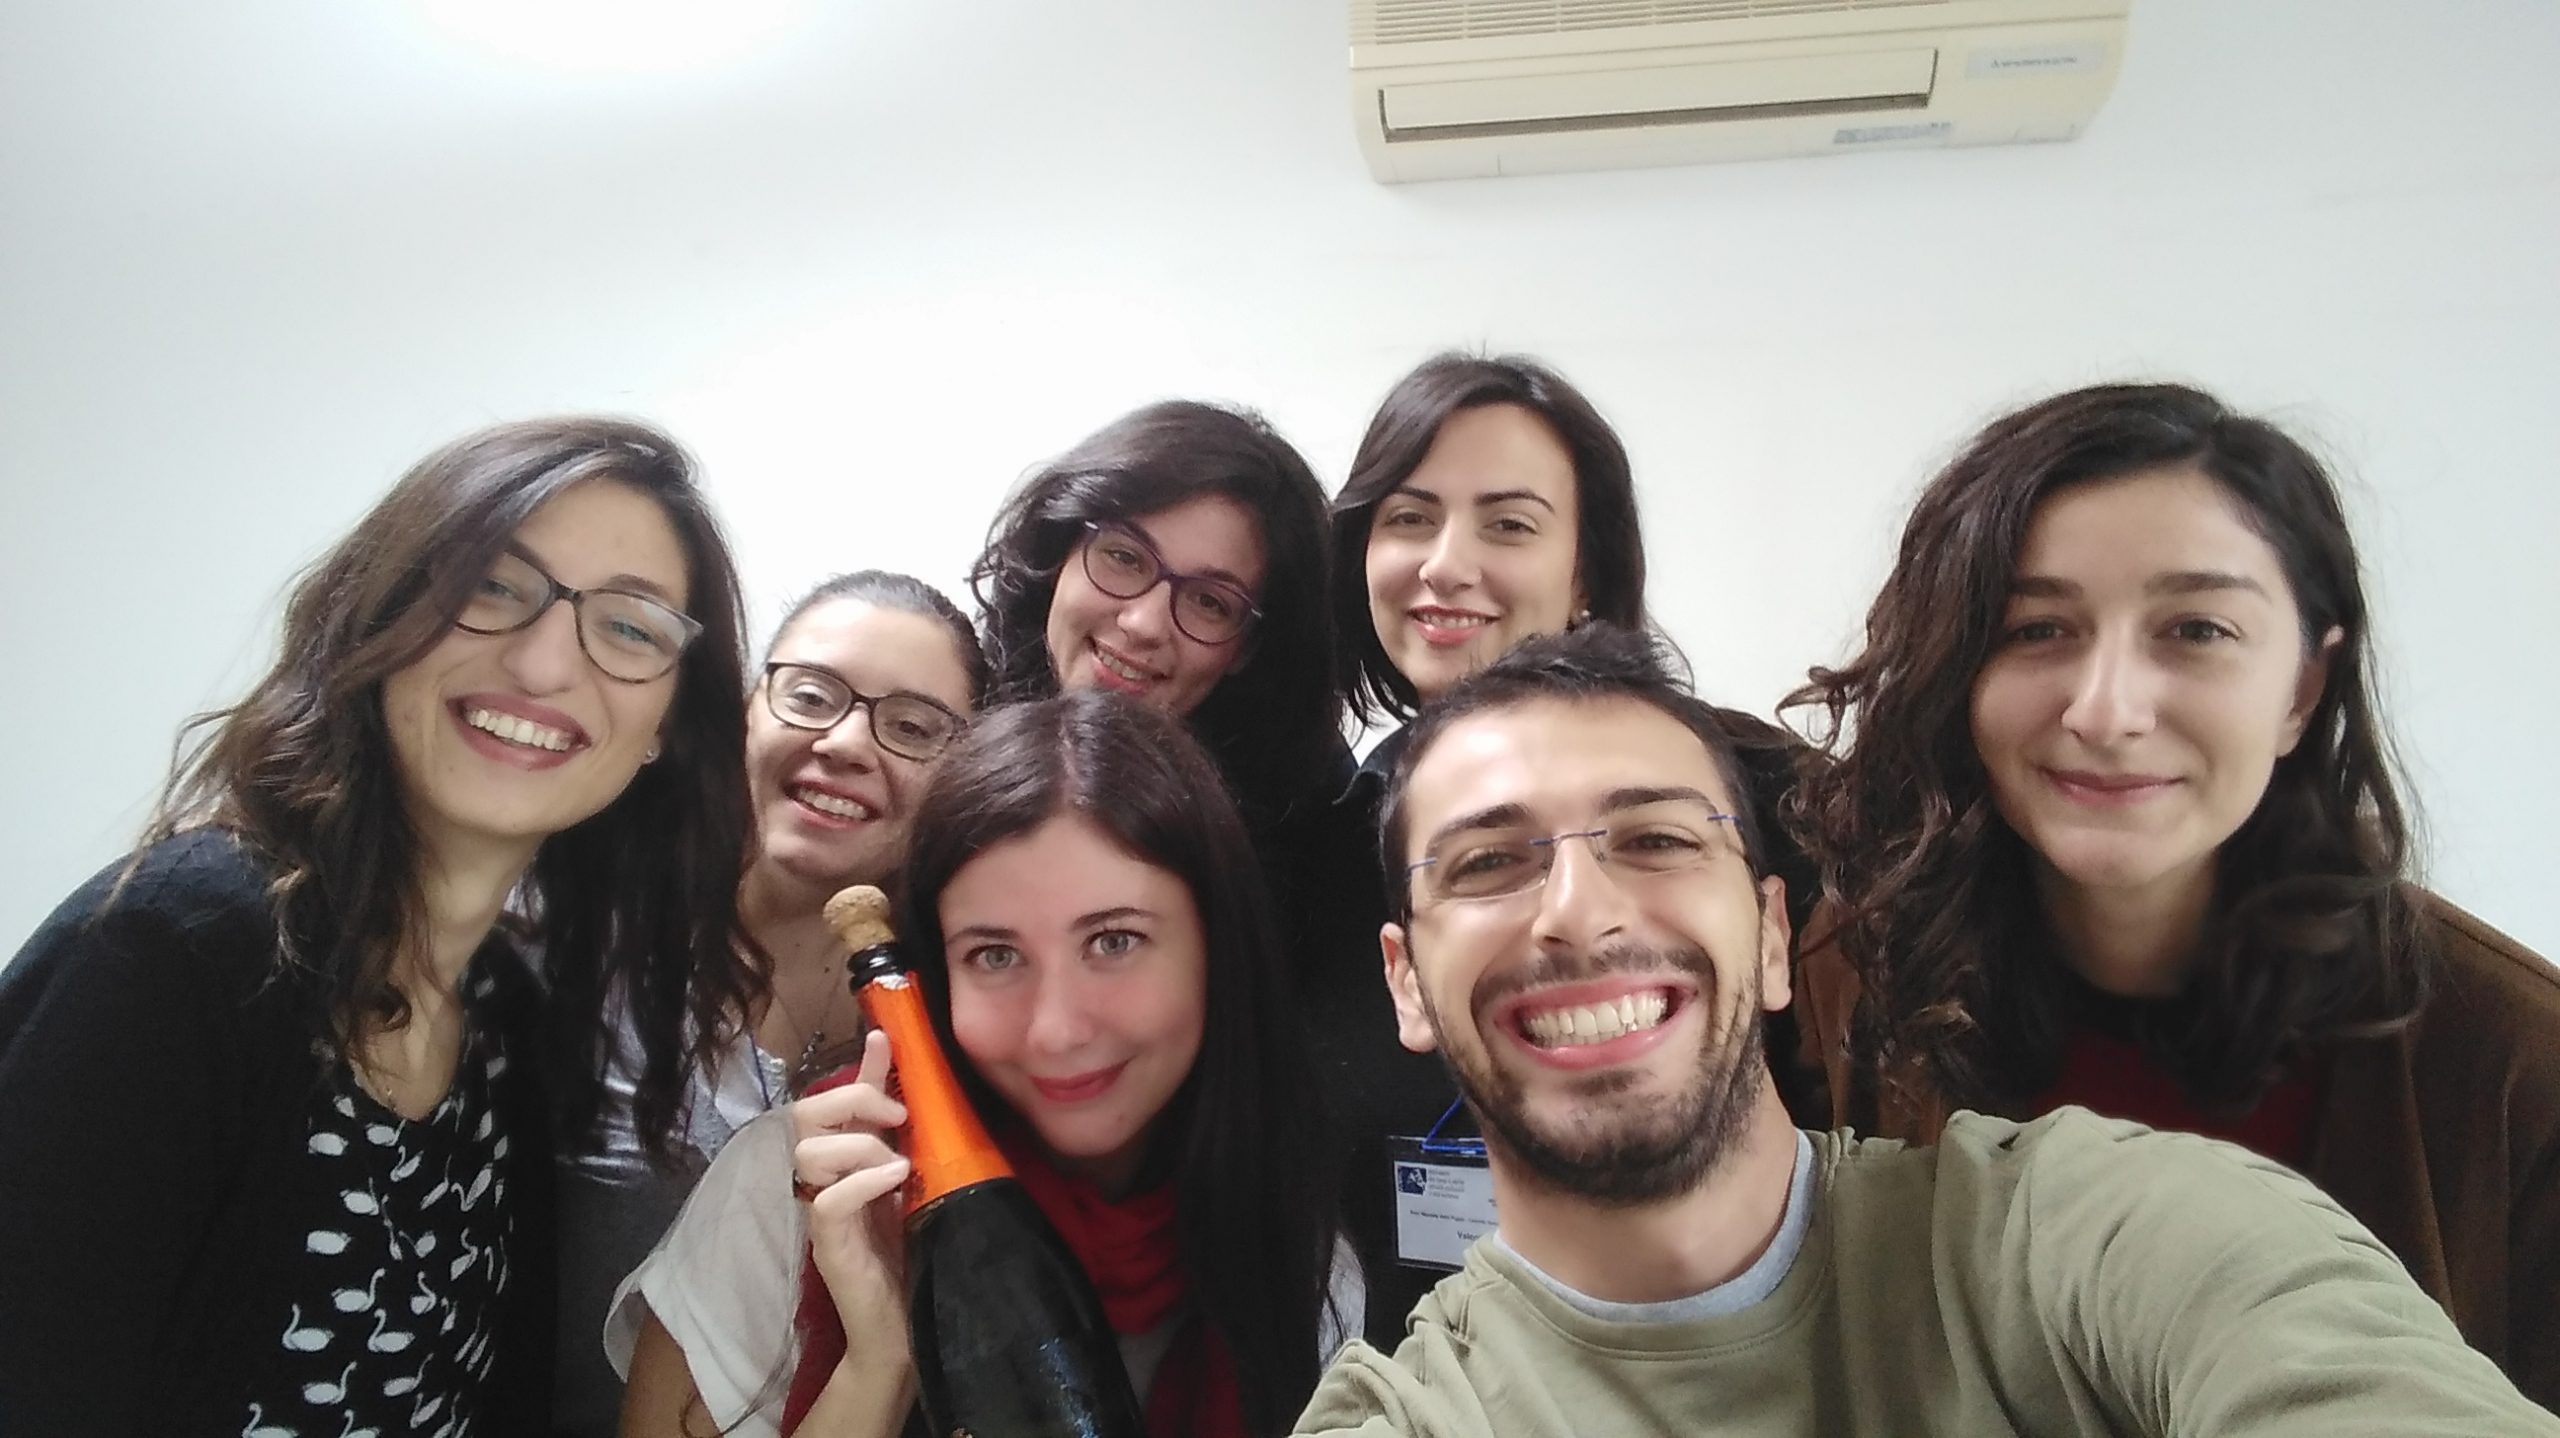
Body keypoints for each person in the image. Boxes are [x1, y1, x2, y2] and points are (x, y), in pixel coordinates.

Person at [1296, 623, 2557, 1437]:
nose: (1579, 909)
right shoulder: (1406, 1415)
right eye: (1488, 862)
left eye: (1658, 838)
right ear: (1406, 981)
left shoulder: (2072, 1237)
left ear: (1773, 936)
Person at [1784, 382, 2560, 1406]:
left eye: (2196, 629)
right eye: (2035, 629)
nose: (2107, 711)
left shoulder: (2515, 1060)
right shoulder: (1850, 975)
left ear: (2302, 689)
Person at [0, 417, 760, 1435]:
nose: (543, 665)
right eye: (492, 585)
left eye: (630, 629)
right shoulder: (174, 954)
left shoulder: (505, 1017)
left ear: (666, 726)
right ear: (383, 613)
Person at [610, 692, 1347, 1438]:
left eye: (1114, 942)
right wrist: (881, 1359)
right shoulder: (805, 1189)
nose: (1055, 1030)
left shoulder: (1300, 1258)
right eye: (994, 955)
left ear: (1215, 950)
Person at [1321, 351, 1824, 1347]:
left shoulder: (1765, 801)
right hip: (1439, 1369)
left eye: (1508, 523)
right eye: (1409, 518)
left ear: (1586, 567)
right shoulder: (1324, 847)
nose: (1444, 564)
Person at [553, 570, 987, 1436]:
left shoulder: (953, 1028)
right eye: (812, 695)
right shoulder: (583, 937)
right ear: (748, 710)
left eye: (912, 727)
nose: (846, 743)